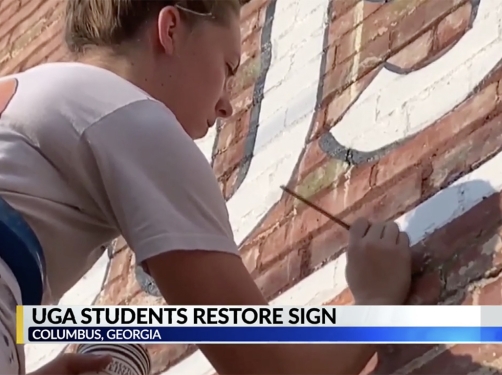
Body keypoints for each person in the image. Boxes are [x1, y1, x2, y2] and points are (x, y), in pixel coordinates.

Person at [0, 0, 413, 374]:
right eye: (228, 67)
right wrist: (378, 299)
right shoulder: (131, 115)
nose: (227, 104)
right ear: (171, 29)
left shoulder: (36, 91)